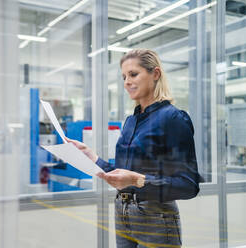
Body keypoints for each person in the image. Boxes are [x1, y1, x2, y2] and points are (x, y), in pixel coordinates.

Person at [67, 49, 202, 248]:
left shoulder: (173, 118)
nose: (126, 82)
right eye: (124, 77)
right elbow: (123, 173)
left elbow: (189, 184)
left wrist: (138, 181)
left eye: (133, 74)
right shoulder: (131, 121)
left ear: (155, 74)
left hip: (156, 215)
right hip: (123, 211)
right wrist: (92, 156)